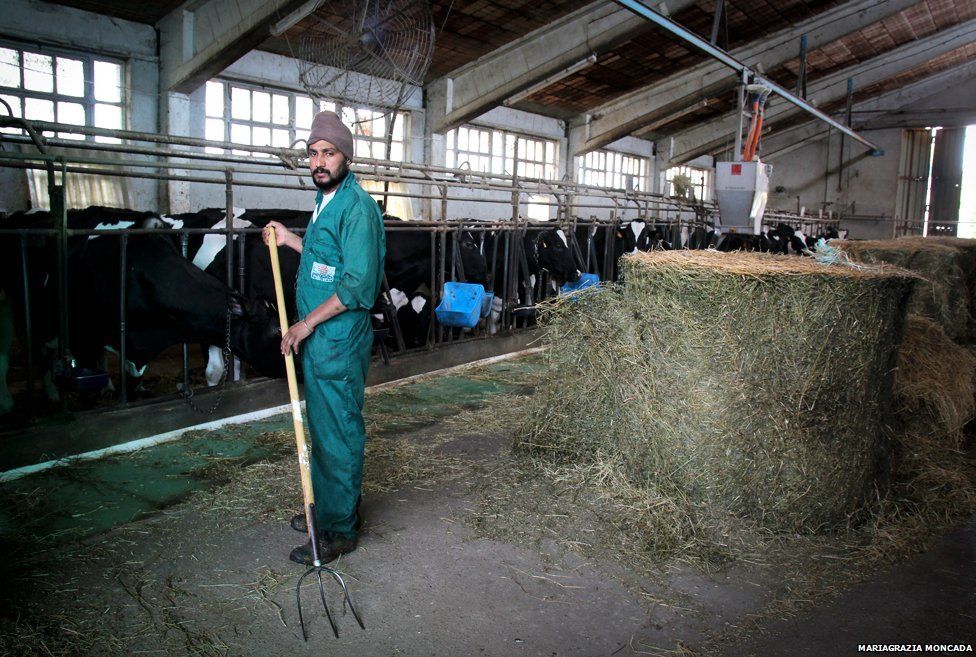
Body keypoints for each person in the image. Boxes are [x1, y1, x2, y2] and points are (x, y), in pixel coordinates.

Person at [262, 111, 386, 565]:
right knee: (321, 426)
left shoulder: (358, 209)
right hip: (320, 340)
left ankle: (339, 530)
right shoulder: (325, 201)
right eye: (313, 153)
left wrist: (305, 324)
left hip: (336, 338)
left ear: (345, 157)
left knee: (337, 430)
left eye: (328, 153)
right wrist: (290, 238)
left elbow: (356, 285)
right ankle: (328, 509)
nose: (318, 161)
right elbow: (323, 258)